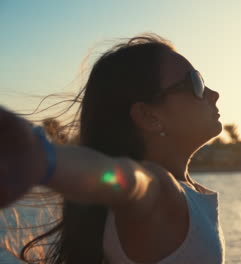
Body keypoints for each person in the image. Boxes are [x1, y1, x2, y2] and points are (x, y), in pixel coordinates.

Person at [0, 34, 225, 264]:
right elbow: (129, 181)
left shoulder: (185, 192)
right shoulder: (158, 192)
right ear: (149, 115)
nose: (214, 95)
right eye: (196, 83)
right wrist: (43, 158)